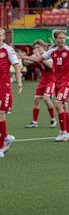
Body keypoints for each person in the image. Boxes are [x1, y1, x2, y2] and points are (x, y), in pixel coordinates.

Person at [21, 30, 69, 142]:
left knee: (58, 104)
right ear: (56, 39)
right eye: (60, 38)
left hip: (67, 82)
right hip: (57, 82)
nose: (62, 40)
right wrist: (24, 57)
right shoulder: (52, 52)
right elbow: (38, 59)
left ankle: (62, 132)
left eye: (64, 38)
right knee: (64, 106)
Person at [22, 40, 57, 129]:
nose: (36, 49)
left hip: (51, 79)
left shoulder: (48, 54)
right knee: (36, 100)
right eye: (35, 48)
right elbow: (26, 63)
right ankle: (34, 122)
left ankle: (53, 119)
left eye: (38, 47)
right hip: (43, 80)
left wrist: (38, 57)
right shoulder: (35, 55)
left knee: (46, 98)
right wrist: (24, 57)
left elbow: (50, 65)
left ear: (43, 47)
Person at [0, 28, 23, 158]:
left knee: (1, 113)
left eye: (0, 35)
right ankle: (6, 137)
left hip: (4, 85)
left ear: (3, 36)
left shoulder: (8, 49)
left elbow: (16, 66)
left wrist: (19, 83)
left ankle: (2, 146)